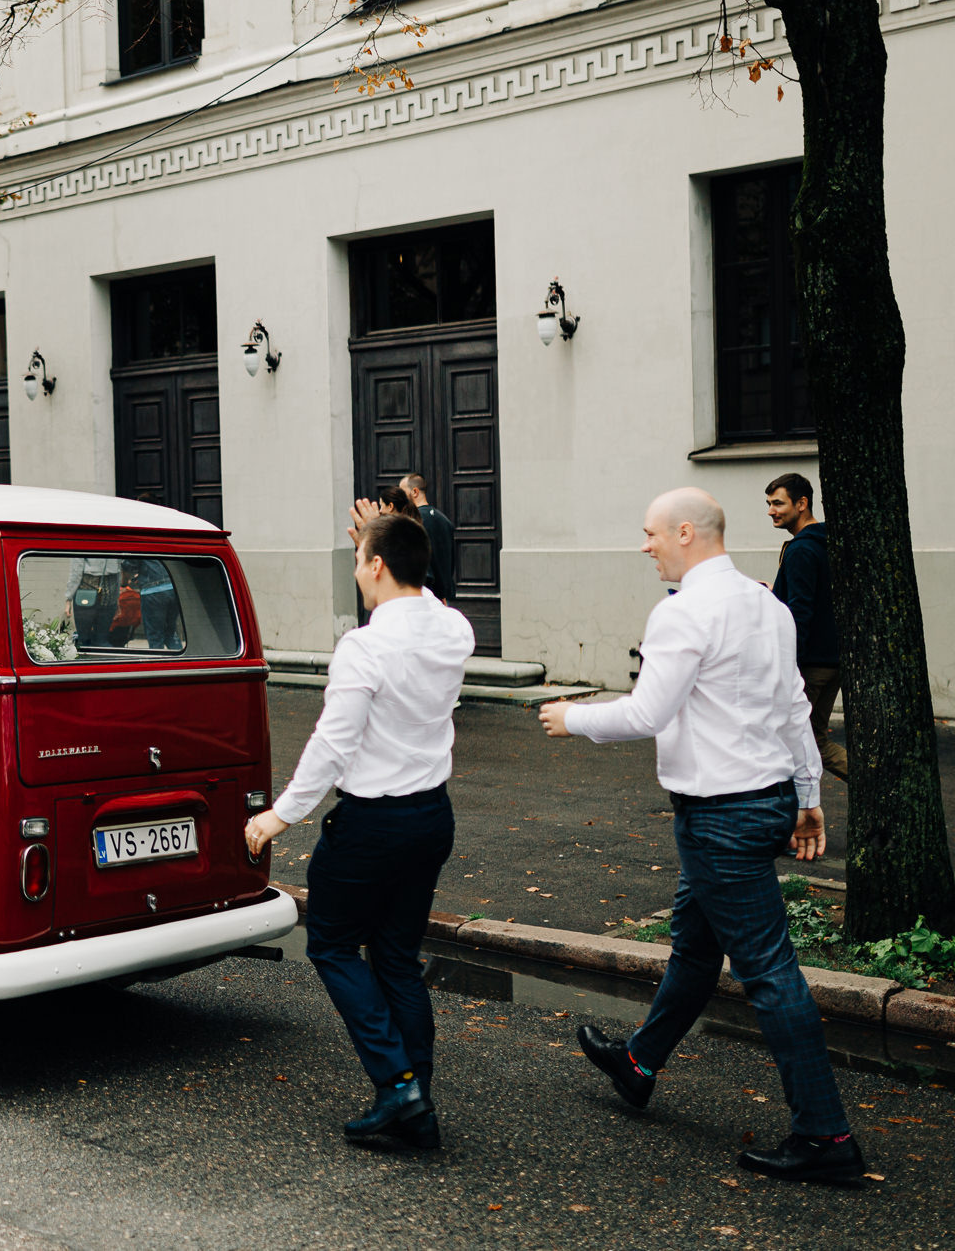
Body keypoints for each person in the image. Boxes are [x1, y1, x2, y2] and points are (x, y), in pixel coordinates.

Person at [537, 488, 860, 1185]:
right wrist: (807, 799)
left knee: (771, 975)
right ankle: (637, 1063)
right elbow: (796, 707)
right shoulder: (767, 607)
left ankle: (826, 1134)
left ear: (686, 532)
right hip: (764, 802)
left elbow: (650, 710)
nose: (645, 544)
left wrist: (573, 716)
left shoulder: (682, 611)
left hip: (721, 817)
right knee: (693, 946)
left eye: (651, 533)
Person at [247, 509, 473, 1149]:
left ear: (376, 566)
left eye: (360, 562)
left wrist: (280, 814)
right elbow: (420, 592)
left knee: (333, 944)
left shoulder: (365, 646)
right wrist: (391, 546)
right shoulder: (454, 630)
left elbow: (332, 744)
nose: (355, 572)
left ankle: (397, 1085)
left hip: (372, 825)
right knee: (397, 958)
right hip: (431, 817)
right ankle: (415, 1099)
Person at [766, 473, 847, 780]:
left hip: (810, 664)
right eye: (769, 504)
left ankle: (883, 791)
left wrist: (789, 667)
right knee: (810, 740)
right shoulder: (827, 543)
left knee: (799, 743)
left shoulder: (801, 549)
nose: (771, 511)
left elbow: (801, 612)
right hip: (831, 659)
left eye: (778, 503)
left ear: (801, 504)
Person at [401, 474, 457, 601]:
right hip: (444, 595)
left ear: (414, 492)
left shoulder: (414, 522)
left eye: (402, 493)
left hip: (426, 596)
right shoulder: (444, 520)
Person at [64, 556, 121, 649]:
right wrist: (116, 598)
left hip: (86, 590)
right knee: (102, 640)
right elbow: (118, 570)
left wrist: (68, 598)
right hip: (109, 592)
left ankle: (85, 661)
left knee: (83, 639)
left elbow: (76, 571)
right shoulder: (116, 542)